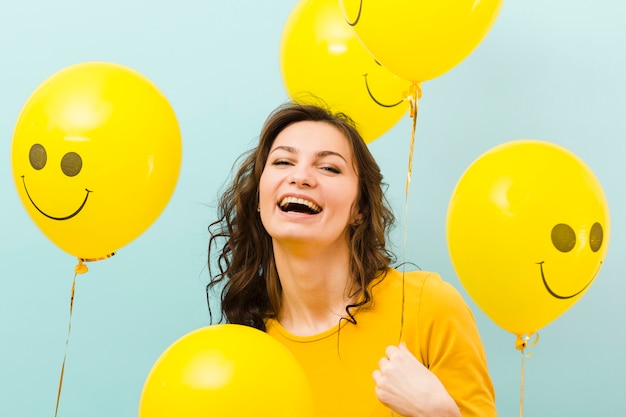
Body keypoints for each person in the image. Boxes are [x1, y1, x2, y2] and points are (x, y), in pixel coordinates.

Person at [207, 101, 496, 417]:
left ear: (359, 209)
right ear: (260, 199)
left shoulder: (427, 308)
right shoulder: (246, 349)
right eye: (282, 162)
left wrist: (439, 414)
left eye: (329, 167)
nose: (300, 176)